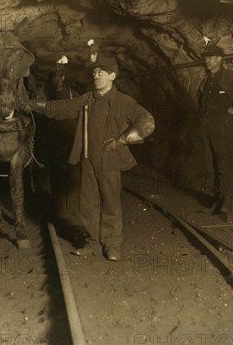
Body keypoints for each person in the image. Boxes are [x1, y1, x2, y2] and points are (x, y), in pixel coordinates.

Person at [20, 55, 155, 261]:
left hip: (109, 160)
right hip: (87, 159)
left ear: (112, 76)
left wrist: (121, 140)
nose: (96, 75)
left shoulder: (124, 102)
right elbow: (62, 108)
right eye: (94, 72)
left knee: (110, 203)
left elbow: (147, 122)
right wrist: (35, 106)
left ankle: (112, 245)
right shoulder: (88, 99)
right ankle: (92, 243)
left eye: (101, 71)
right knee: (88, 204)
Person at [198, 44, 233, 224]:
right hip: (207, 125)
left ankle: (228, 203)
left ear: (219, 59)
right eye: (206, 57)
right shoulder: (208, 78)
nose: (207, 60)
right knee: (211, 163)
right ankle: (218, 199)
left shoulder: (231, 76)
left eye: (211, 57)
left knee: (224, 162)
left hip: (222, 124)